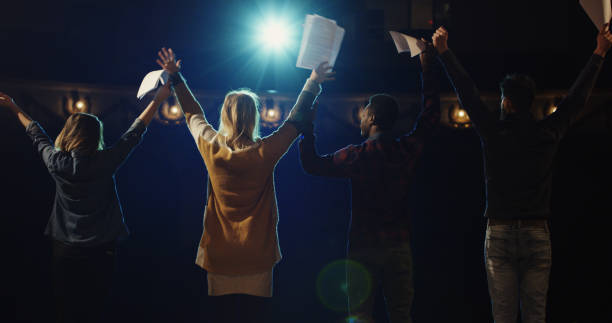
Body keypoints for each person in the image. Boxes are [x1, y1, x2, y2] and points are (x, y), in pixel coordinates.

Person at [432, 24, 612, 323]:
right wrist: (599, 53)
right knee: (535, 315)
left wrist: (444, 53)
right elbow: (576, 101)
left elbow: (468, 94)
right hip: (536, 231)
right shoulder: (547, 132)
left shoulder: (493, 131)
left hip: (500, 231)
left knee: (502, 316)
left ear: (507, 102)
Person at [155, 48, 334, 323]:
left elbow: (192, 113)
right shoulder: (265, 151)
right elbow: (296, 120)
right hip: (257, 254)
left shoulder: (210, 145)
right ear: (254, 117)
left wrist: (176, 77)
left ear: (225, 115)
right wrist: (313, 81)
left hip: (219, 253)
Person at [0, 84, 171, 323]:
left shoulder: (56, 161)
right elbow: (135, 132)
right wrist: (157, 100)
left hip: (65, 248)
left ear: (69, 133)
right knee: (94, 309)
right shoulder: (106, 161)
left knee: (65, 309)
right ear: (94, 136)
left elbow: (36, 133)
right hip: (102, 249)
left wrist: (13, 106)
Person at [298, 43, 440, 323]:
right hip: (399, 246)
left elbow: (312, 165)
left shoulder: (356, 156)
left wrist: (307, 129)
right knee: (401, 315)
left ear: (373, 117)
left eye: (364, 112)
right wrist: (427, 67)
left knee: (360, 316)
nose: (361, 116)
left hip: (363, 247)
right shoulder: (406, 150)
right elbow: (431, 115)